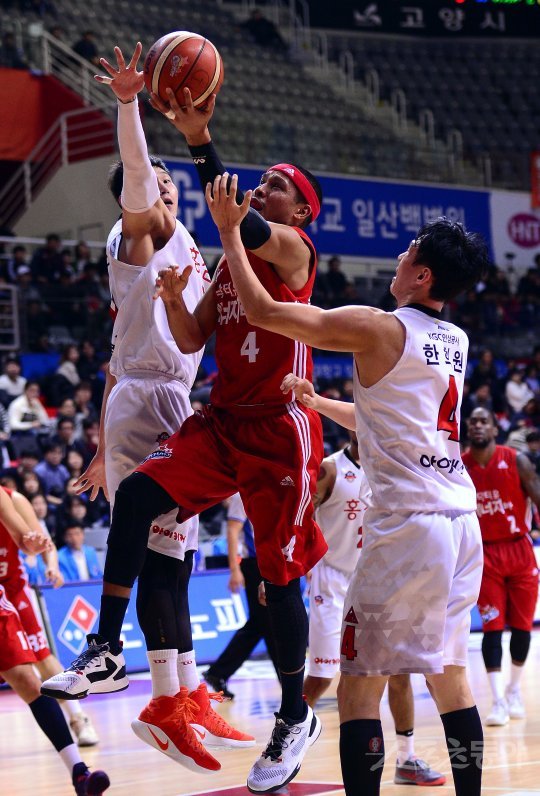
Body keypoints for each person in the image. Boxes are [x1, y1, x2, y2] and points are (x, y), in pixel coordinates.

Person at [44, 70, 325, 793]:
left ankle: (293, 714)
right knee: (141, 499)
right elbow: (196, 333)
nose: (262, 188)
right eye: (261, 181)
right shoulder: (208, 255)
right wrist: (174, 301)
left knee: (276, 581)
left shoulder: (293, 251)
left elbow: (255, 280)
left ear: (301, 211)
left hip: (279, 430)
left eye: (276, 186)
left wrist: (200, 140)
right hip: (218, 419)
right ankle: (110, 646)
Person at [203, 176, 489, 796]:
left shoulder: (378, 327)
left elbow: (265, 313)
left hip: (408, 524)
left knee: (359, 686)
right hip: (462, 523)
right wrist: (318, 403)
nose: (399, 256)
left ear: (423, 276)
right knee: (451, 678)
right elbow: (386, 418)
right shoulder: (456, 341)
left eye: (409, 252)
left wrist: (229, 234)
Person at [41, 43, 251, 773]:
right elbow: (135, 175)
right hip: (145, 396)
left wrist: (102, 446)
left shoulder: (187, 240)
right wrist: (129, 104)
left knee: (177, 557)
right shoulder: (139, 233)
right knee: (161, 553)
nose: (161, 187)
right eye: (152, 182)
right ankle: (141, 681)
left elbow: (119, 351)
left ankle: (186, 695)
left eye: (167, 181)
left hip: (167, 397)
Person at [303, 429, 445, 786]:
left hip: (377, 580)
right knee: (322, 675)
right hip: (333, 580)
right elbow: (300, 520)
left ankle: (407, 759)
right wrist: (284, 573)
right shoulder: (330, 469)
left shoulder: (393, 467)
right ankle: (286, 745)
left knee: (399, 672)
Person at [0, 487, 108, 795]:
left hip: (13, 590)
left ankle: (79, 758)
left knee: (37, 666)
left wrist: (46, 558)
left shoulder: (11, 499)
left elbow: (30, 539)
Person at [462, 407, 540, 726]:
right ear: (468, 428)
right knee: (492, 629)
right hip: (485, 555)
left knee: (522, 628)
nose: (478, 425)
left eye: (485, 421)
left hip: (519, 549)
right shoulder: (459, 467)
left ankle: (513, 690)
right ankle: (496, 701)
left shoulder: (517, 460)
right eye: (474, 421)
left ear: (495, 429)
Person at [203, 493, 279, 700]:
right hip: (254, 565)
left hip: (271, 561)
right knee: (268, 623)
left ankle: (218, 672)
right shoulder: (242, 495)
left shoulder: (268, 488)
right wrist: (234, 569)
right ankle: (288, 679)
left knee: (261, 624)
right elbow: (232, 530)